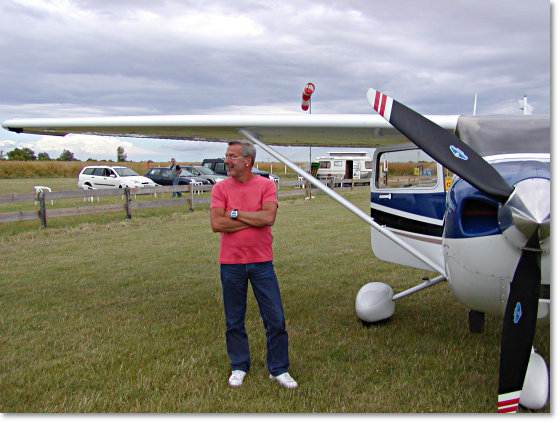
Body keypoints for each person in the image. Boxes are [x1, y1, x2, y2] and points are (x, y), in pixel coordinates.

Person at [210, 140, 297, 389]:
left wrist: (234, 213)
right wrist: (254, 219)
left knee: (275, 318)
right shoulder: (220, 189)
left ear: (247, 161)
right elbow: (217, 224)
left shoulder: (266, 185)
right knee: (234, 319)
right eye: (226, 155)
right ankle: (239, 365)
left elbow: (269, 217)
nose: (227, 160)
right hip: (231, 264)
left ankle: (278, 369)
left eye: (232, 156)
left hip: (262, 264)